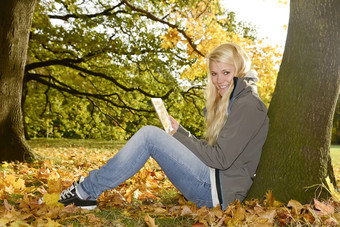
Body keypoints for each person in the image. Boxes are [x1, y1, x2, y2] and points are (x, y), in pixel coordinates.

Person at [58, 43, 269, 210]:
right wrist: (181, 132)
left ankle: (85, 191)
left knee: (150, 135)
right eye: (214, 74)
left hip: (217, 191)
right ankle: (86, 190)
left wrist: (181, 136)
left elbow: (220, 159)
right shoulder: (235, 101)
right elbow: (217, 151)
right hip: (213, 181)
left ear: (239, 70)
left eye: (226, 72)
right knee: (152, 134)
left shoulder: (248, 104)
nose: (218, 80)